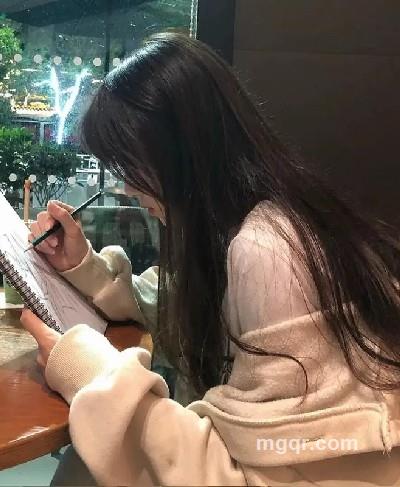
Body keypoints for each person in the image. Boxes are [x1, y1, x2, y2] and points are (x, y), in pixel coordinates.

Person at [21, 33, 400, 486]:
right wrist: (81, 264)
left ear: (182, 152)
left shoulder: (270, 251)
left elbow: (257, 475)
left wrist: (88, 372)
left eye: (130, 164)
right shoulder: (259, 223)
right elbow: (173, 302)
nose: (126, 187)